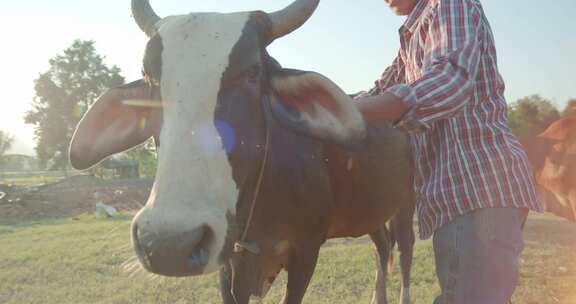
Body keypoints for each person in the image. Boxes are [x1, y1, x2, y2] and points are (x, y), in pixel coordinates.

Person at [353, 0, 543, 303]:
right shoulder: (413, 37)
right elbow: (379, 92)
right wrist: (327, 106)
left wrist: (349, 114)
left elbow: (449, 80)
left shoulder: (449, 4)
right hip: (466, 196)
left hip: (478, 191)